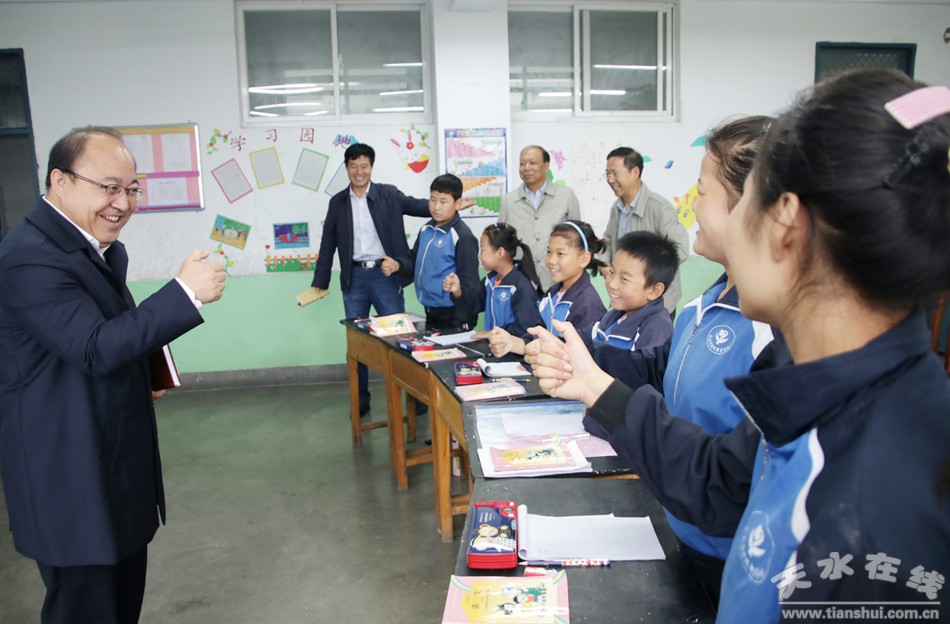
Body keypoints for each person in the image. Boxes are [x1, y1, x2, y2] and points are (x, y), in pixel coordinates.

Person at [526, 69, 950, 622]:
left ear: (785, 223)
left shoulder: (871, 510)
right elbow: (723, 480)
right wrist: (596, 387)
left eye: (742, 200)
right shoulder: (812, 374)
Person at [0, 126, 226, 624]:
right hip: (69, 477)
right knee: (87, 608)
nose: (122, 203)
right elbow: (92, 347)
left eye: (131, 189)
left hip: (109, 465)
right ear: (60, 180)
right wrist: (184, 294)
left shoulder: (94, 248)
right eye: (108, 187)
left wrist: (148, 374)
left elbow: (104, 331)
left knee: (121, 604)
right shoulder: (29, 256)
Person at [581, 117, 777, 604]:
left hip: (731, 557)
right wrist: (582, 359)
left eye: (702, 191)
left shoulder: (770, 331)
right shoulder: (699, 308)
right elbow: (658, 369)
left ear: (752, 208)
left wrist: (600, 391)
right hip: (680, 526)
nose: (694, 205)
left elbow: (732, 480)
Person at [307, 143, 430, 417]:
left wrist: (447, 205)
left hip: (385, 275)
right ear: (347, 168)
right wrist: (320, 280)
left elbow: (417, 206)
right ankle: (361, 398)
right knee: (358, 343)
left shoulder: (388, 194)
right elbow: (328, 243)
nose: (359, 171)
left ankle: (415, 394)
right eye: (354, 166)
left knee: (401, 338)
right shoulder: (338, 202)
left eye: (364, 166)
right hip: (354, 279)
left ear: (371, 167)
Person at [485, 220, 606, 357]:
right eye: (549, 252)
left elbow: (578, 356)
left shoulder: (588, 304)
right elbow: (535, 337)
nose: (551, 260)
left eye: (560, 254)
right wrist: (510, 342)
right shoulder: (552, 294)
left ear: (584, 259)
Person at [599, 147, 689, 315]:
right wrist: (605, 266)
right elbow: (608, 241)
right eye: (607, 174)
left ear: (635, 172)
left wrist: (649, 274)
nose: (610, 180)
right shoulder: (616, 208)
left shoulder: (659, 208)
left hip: (657, 304)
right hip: (625, 299)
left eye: (615, 174)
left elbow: (681, 249)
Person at [389, 173, 479, 331]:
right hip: (431, 309)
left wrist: (460, 301)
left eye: (443, 201)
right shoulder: (426, 229)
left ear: (458, 203)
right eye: (432, 199)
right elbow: (414, 260)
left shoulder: (462, 236)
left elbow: (471, 284)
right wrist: (398, 265)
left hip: (454, 314)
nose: (436, 207)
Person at [498, 145, 581, 291]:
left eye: (532, 163)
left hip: (557, 280)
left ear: (546, 166)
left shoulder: (566, 196)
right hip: (521, 282)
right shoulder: (508, 201)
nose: (526, 168)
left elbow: (577, 240)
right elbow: (501, 242)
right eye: (522, 163)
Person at [582, 231, 677, 354]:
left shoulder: (657, 329)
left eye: (624, 279)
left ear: (654, 290)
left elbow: (637, 365)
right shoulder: (613, 316)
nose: (612, 284)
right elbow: (584, 338)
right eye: (611, 272)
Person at [444, 222, 544, 339]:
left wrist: (493, 333)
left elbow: (527, 327)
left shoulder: (521, 286)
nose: (479, 256)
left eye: (482, 250)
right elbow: (473, 306)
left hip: (512, 349)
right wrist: (458, 291)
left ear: (500, 253)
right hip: (494, 346)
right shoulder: (490, 281)